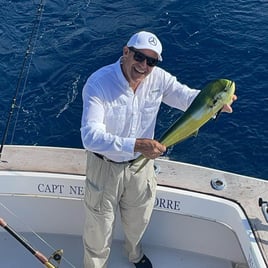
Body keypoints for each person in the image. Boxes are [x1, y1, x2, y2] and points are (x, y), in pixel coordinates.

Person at [80, 31, 236, 268]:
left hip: (141, 168)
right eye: (139, 57)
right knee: (98, 228)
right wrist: (136, 144)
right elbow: (90, 137)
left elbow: (187, 98)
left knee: (138, 220)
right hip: (105, 168)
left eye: (151, 61)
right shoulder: (99, 83)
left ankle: (134, 254)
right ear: (125, 52)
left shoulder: (159, 79)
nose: (144, 65)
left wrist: (214, 104)